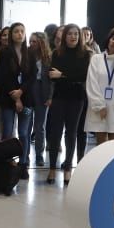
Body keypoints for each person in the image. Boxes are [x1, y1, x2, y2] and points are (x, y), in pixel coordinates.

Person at [45, 23, 89, 184]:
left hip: (76, 98)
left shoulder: (85, 54)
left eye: (76, 34)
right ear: (65, 37)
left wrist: (63, 75)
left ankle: (68, 168)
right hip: (59, 97)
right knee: (55, 133)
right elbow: (51, 74)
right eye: (70, 34)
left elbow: (82, 76)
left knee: (71, 133)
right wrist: (67, 77)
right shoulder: (57, 53)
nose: (73, 37)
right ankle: (51, 168)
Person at [0, 23, 37, 163]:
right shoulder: (5, 52)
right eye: (16, 32)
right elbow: (4, 76)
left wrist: (21, 92)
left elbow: (32, 76)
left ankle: (23, 163)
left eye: (22, 31)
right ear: (11, 35)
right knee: (7, 132)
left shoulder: (31, 52)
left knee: (23, 133)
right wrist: (15, 97)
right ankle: (6, 162)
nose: (20, 34)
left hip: (26, 97)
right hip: (9, 96)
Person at [28, 30, 52, 166]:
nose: (31, 44)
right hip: (30, 90)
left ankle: (39, 155)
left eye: (34, 42)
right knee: (26, 125)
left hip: (43, 92)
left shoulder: (48, 57)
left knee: (40, 126)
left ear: (41, 43)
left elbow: (52, 81)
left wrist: (50, 97)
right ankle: (25, 155)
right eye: (30, 41)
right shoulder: (27, 55)